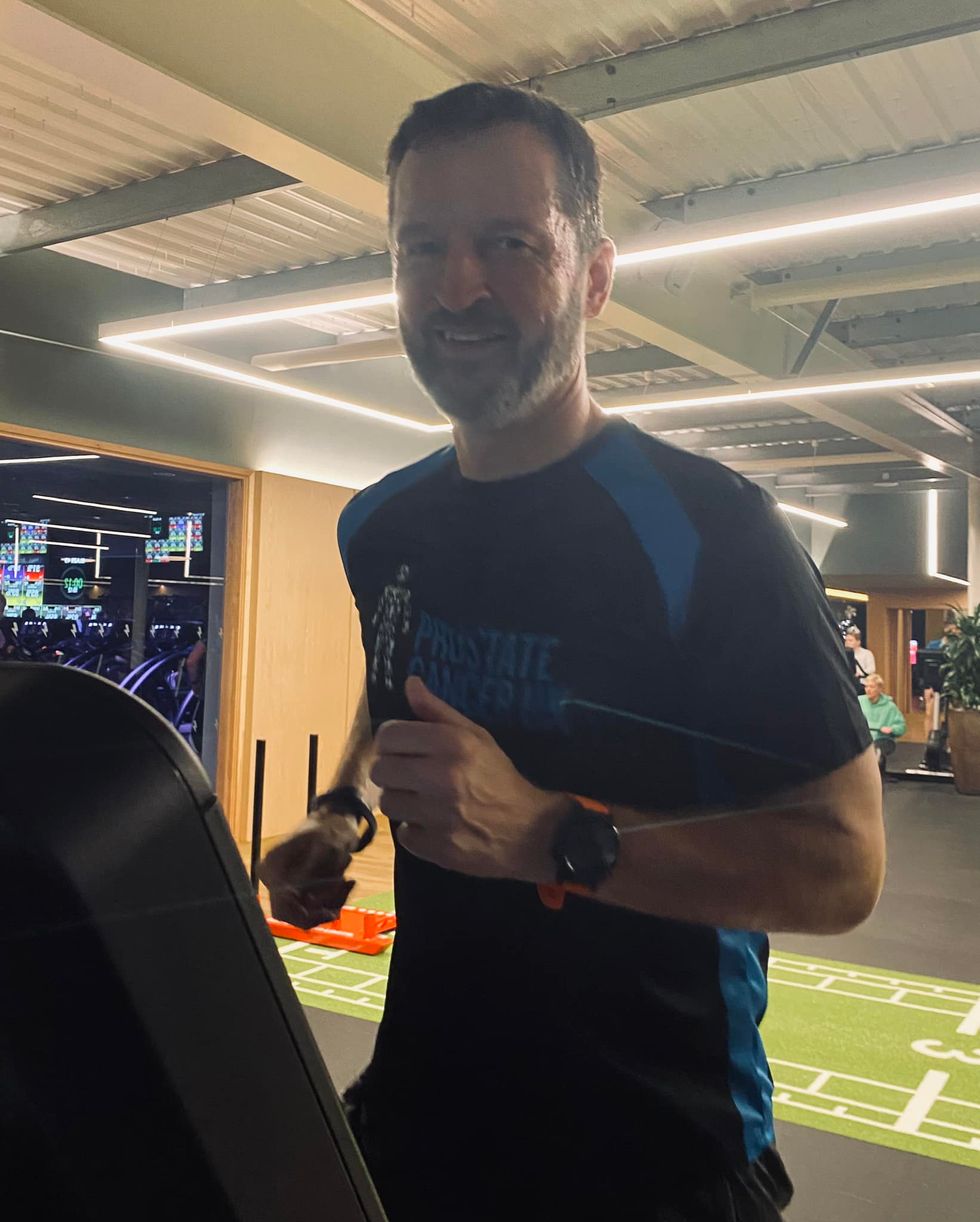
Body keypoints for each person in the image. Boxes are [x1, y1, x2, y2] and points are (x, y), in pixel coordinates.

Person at [260, 83, 884, 1222]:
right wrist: (340, 812)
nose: (457, 287)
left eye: (508, 243)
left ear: (592, 275)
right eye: (423, 246)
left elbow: (843, 864)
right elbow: (392, 684)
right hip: (417, 1129)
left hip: (654, 1158)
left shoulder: (713, 533)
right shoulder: (380, 524)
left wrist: (554, 836)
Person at [859, 674, 907, 775]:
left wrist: (892, 729)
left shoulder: (890, 707)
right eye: (866, 686)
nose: (868, 690)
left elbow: (901, 727)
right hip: (862, 738)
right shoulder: (859, 701)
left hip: (881, 740)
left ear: (879, 689)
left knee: (875, 751)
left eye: (871, 687)